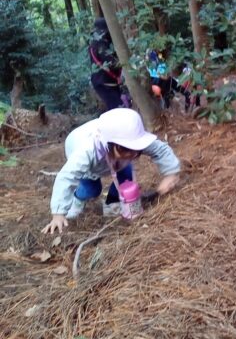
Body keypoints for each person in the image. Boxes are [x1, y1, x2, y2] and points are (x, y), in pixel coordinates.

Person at [42, 108, 181, 234]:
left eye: (136, 149)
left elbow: (160, 149)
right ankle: (78, 201)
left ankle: (115, 206)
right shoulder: (86, 151)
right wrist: (58, 213)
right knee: (91, 189)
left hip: (116, 160)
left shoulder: (129, 138)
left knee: (125, 180)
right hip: (89, 164)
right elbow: (67, 176)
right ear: (110, 144)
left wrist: (171, 173)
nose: (132, 154)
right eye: (127, 149)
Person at [89, 18, 127, 110]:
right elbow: (110, 62)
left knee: (116, 107)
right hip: (104, 82)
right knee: (117, 109)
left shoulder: (96, 43)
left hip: (106, 81)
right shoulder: (100, 44)